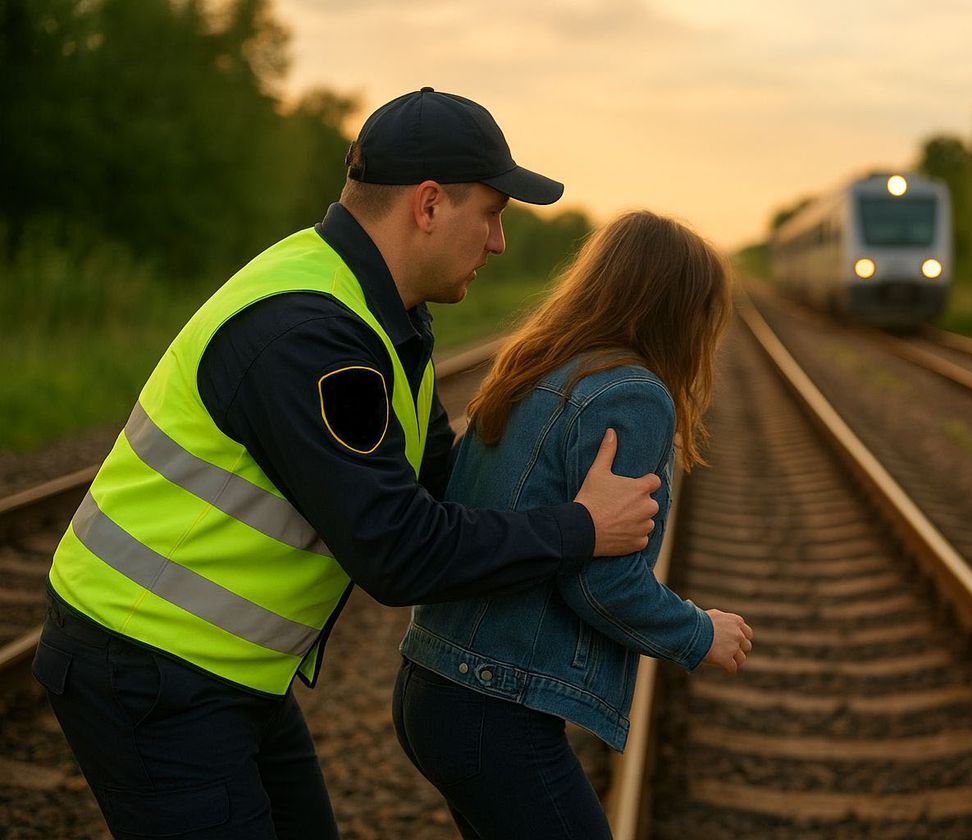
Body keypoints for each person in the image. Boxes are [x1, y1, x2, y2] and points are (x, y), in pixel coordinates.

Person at [32, 88, 663, 840]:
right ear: (428, 205)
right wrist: (580, 529)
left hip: (227, 669)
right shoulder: (310, 333)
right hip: (145, 664)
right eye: (491, 213)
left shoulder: (387, 313)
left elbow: (442, 487)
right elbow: (400, 553)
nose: (497, 242)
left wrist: (556, 456)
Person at [393, 210, 755, 840]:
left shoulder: (534, 364)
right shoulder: (633, 395)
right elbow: (600, 582)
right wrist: (699, 633)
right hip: (494, 707)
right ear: (680, 311)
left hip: (433, 684)